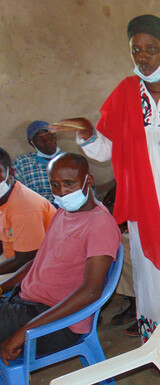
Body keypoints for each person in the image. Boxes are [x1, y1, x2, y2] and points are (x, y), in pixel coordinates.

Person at [52, 14, 160, 343]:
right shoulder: (124, 94)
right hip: (148, 212)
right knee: (157, 282)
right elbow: (106, 151)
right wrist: (88, 133)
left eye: (151, 49)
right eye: (136, 50)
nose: (143, 57)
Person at [0, 153, 121, 364]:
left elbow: (91, 292)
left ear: (88, 180)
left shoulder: (99, 225)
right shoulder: (64, 212)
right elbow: (37, 262)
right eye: (55, 185)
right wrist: (2, 288)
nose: (62, 192)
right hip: (25, 304)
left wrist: (24, 333)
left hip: (57, 322)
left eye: (69, 183)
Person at [0, 148, 55, 279]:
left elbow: (27, 259)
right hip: (15, 260)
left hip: (37, 270)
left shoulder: (23, 208)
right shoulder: (6, 196)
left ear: (10, 172)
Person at [12, 121, 62, 203]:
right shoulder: (22, 163)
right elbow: (14, 194)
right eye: (39, 139)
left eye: (49, 136)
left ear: (55, 136)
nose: (46, 141)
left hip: (68, 211)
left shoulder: (71, 160)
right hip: (38, 210)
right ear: (32, 144)